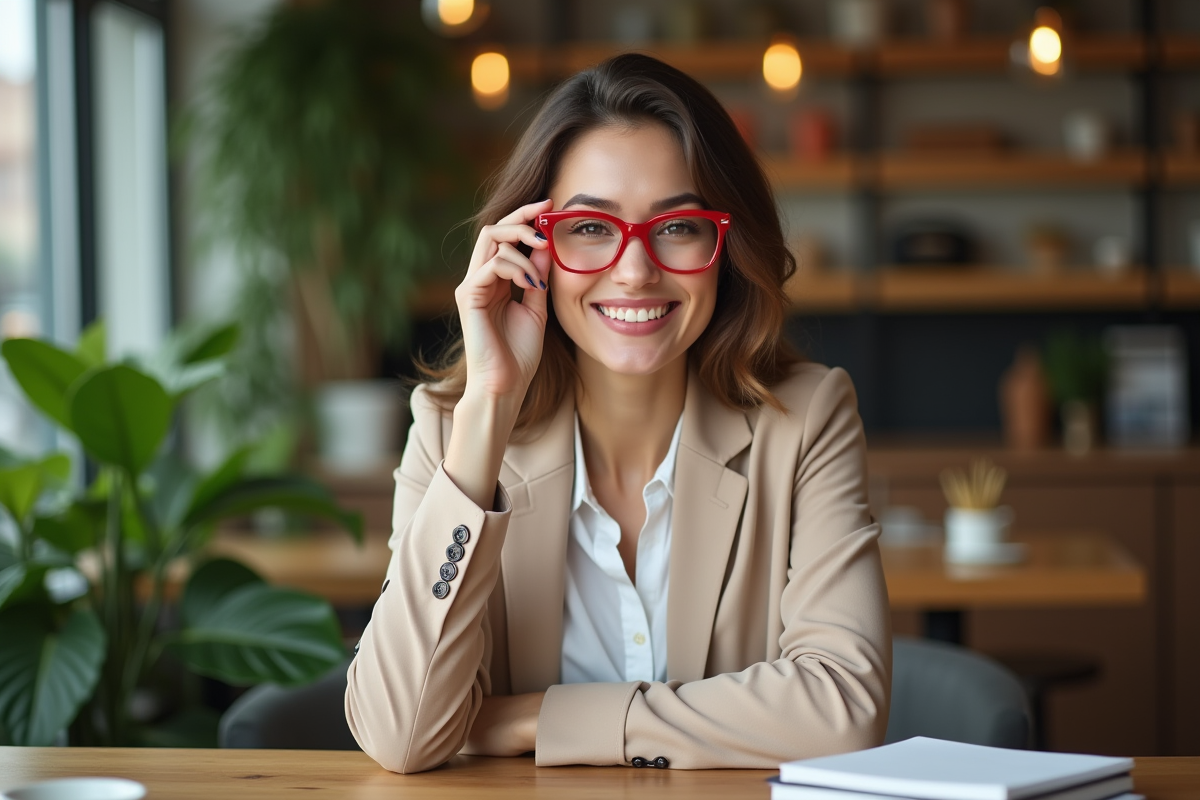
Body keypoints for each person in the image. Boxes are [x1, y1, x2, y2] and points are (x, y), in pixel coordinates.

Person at [345, 53, 890, 774]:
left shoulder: (807, 418)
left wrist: (538, 718)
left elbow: (844, 708)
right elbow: (400, 735)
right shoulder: (454, 428)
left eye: (679, 227)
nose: (635, 271)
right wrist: (491, 406)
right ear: (531, 245)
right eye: (591, 228)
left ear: (726, 248)